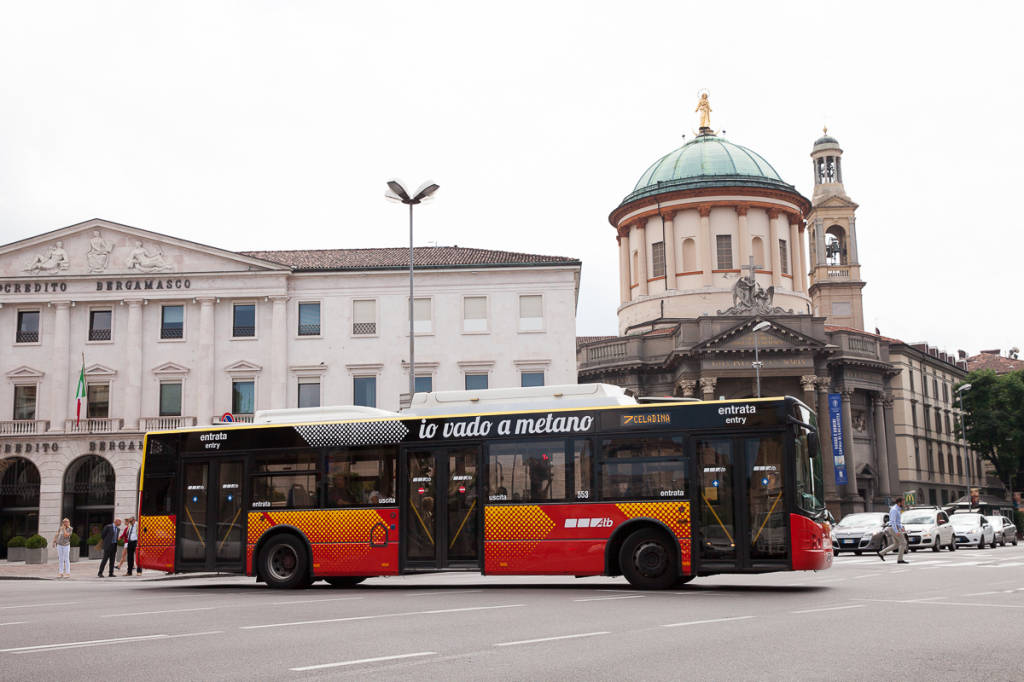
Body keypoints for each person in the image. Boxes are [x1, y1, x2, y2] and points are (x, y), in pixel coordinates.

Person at [878, 497, 909, 564]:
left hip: (895, 528)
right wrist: (896, 531)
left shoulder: (898, 509)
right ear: (899, 502)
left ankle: (881, 553)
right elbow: (893, 521)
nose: (904, 503)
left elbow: (897, 521)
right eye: (903, 502)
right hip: (893, 528)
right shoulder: (894, 510)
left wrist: (901, 527)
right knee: (903, 543)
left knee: (896, 544)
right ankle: (900, 560)